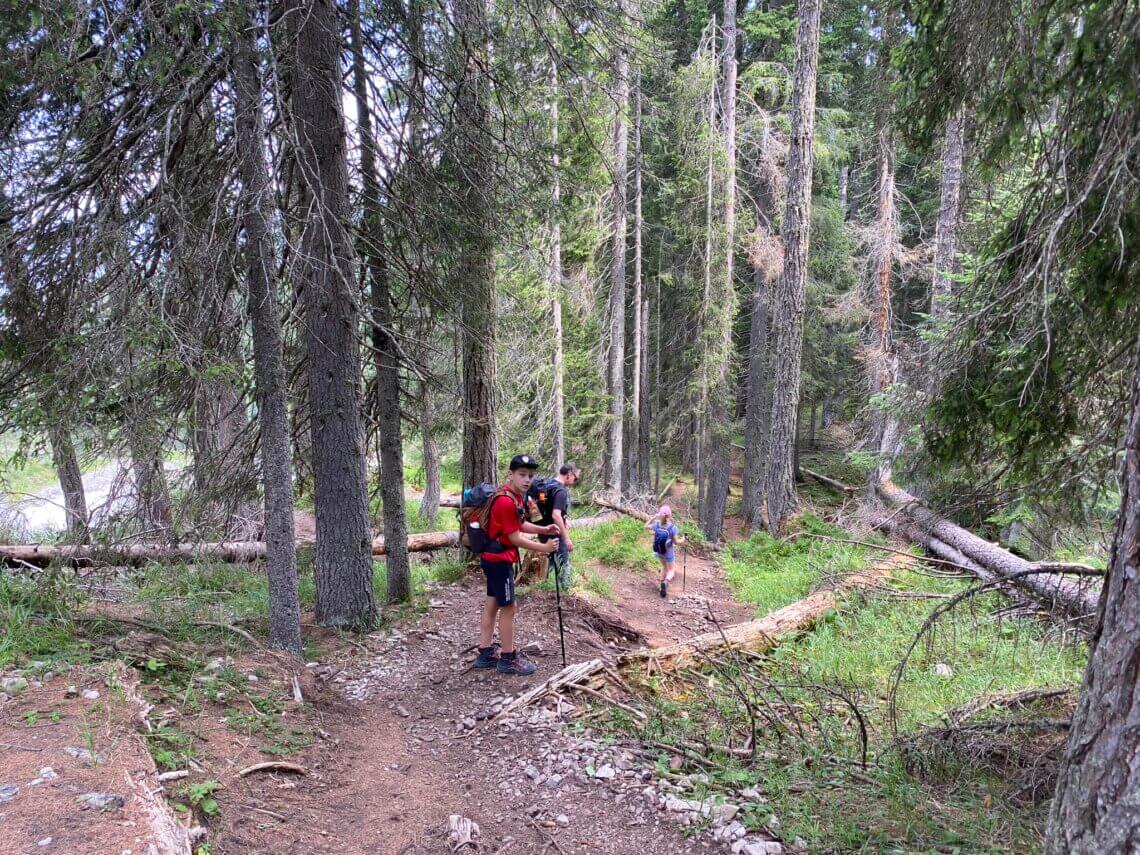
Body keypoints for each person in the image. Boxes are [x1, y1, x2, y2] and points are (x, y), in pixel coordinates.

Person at [473, 454, 560, 676]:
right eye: (522, 474)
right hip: (499, 562)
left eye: (530, 475)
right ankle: (508, 658)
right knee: (509, 608)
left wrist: (542, 529)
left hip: (493, 559)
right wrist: (545, 548)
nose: (527, 479)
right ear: (510, 475)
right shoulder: (504, 501)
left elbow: (519, 524)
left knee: (492, 604)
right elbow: (514, 538)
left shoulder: (514, 496)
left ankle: (485, 652)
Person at [527, 462, 580, 588]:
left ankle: (548, 587)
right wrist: (566, 538)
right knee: (563, 562)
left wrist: (564, 518)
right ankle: (565, 591)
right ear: (569, 474)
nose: (575, 481)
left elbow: (548, 507)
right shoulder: (560, 491)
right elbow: (556, 515)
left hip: (543, 530)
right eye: (575, 478)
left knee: (551, 560)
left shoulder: (548, 484)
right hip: (554, 531)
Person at [645, 505, 683, 598]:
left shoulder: (657, 524)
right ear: (669, 515)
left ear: (660, 514)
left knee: (663, 566)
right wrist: (684, 539)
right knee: (671, 570)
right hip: (668, 552)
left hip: (659, 551)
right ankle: (666, 582)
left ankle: (661, 585)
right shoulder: (672, 528)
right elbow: (676, 542)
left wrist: (653, 518)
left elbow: (645, 526)